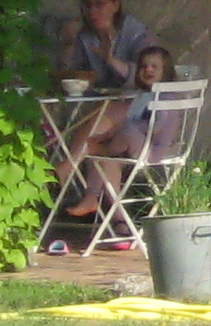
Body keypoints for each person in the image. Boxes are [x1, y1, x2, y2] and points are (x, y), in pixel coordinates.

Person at [74, 44, 186, 234]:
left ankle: (100, 168)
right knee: (103, 158)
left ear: (165, 72)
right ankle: (118, 218)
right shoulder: (143, 96)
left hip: (155, 151)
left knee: (125, 132)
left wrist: (127, 130)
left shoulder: (167, 98)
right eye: (143, 66)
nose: (147, 70)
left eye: (154, 66)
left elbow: (156, 127)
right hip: (138, 146)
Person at [55, 0, 155, 90]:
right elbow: (67, 77)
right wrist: (68, 43)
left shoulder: (138, 34)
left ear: (116, 5)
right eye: (87, 5)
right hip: (95, 98)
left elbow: (148, 75)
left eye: (100, 4)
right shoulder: (83, 35)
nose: (92, 11)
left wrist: (111, 60)